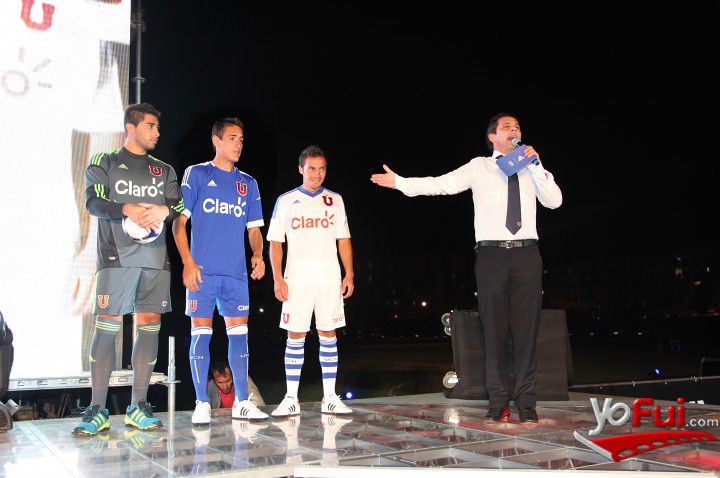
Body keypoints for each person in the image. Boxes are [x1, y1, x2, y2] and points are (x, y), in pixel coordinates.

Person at [370, 113, 562, 424]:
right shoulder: (479, 166)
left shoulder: (530, 168)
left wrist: (537, 165)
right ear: (492, 137)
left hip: (527, 254)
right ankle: (498, 401)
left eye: (517, 126)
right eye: (507, 127)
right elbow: (441, 185)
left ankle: (527, 401)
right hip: (492, 257)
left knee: (527, 332)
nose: (514, 130)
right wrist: (400, 183)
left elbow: (554, 201)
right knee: (494, 331)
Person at [73, 103, 184, 436]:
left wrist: (164, 209)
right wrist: (127, 209)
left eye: (158, 127)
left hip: (154, 260)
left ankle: (138, 406)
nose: (157, 132)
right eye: (151, 126)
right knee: (108, 324)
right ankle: (97, 409)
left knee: (149, 323)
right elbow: (94, 202)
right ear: (131, 128)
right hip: (115, 257)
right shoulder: (104, 161)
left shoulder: (163, 170)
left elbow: (178, 206)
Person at [172, 117, 268, 425]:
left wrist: (258, 253)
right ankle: (202, 402)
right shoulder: (197, 174)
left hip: (236, 275)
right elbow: (178, 222)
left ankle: (242, 401)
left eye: (241, 138)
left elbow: (254, 229)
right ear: (217, 140)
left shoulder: (249, 183)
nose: (239, 143)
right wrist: (187, 262)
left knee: (239, 336)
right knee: (201, 334)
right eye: (232, 138)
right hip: (203, 273)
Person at [267, 145, 355, 417]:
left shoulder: (335, 200)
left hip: (329, 278)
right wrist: (277, 277)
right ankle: (291, 398)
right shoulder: (286, 200)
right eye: (312, 168)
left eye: (322, 168)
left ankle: (330, 397)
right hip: (298, 280)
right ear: (301, 169)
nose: (317, 174)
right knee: (295, 336)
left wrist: (349, 272)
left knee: (329, 335)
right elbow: (275, 242)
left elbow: (344, 239)